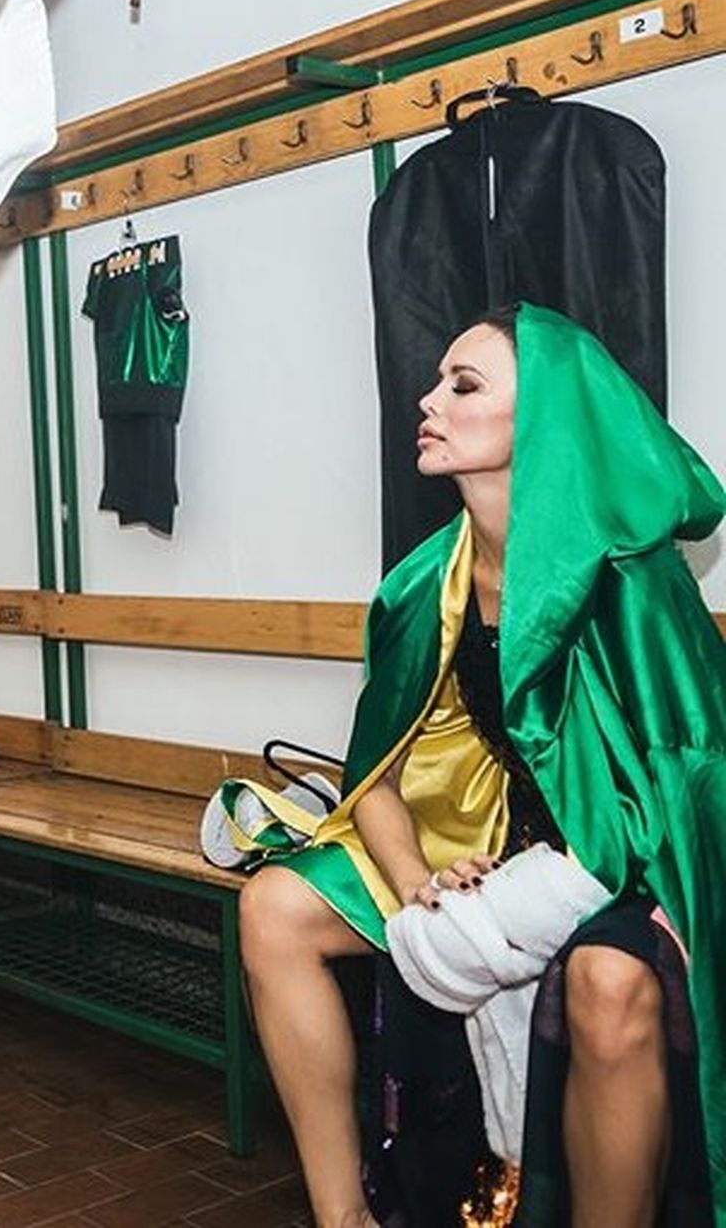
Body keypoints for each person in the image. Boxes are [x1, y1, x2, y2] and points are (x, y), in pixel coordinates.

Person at [239, 303, 725, 1228]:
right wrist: (419, 882)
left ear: (538, 417)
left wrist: (667, 898)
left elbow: (696, 769)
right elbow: (376, 776)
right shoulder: (424, 586)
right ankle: (345, 1217)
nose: (429, 401)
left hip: (630, 861)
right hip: (496, 843)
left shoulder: (631, 577)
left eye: (464, 385)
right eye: (436, 382)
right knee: (274, 907)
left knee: (608, 980)